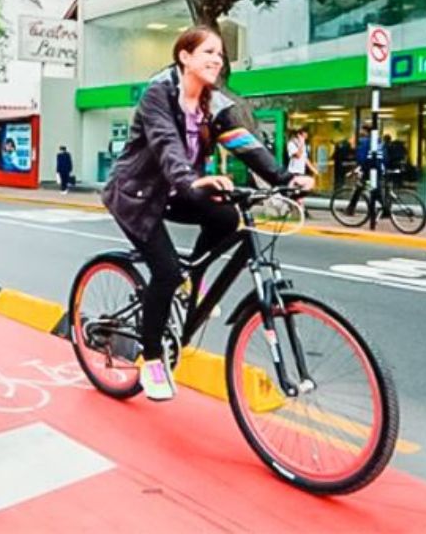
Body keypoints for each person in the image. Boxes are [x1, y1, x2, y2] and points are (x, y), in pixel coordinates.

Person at [101, 27, 313, 401]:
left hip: (179, 188)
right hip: (137, 195)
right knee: (165, 270)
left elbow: (245, 144)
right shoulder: (159, 95)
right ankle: (151, 360)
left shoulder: (212, 104)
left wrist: (284, 178)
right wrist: (192, 181)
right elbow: (166, 145)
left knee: (228, 218)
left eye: (221, 53)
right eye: (208, 52)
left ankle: (193, 285)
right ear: (184, 56)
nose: (217, 59)